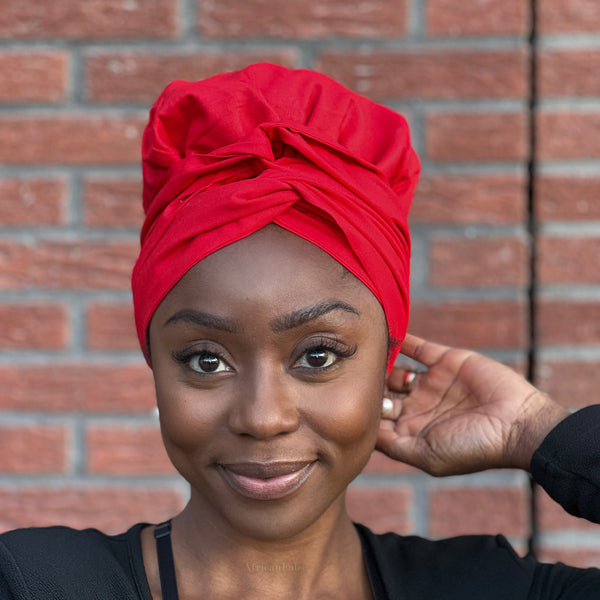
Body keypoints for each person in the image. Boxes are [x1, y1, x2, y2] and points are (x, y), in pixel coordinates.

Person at [1, 63, 599, 599]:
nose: (263, 418)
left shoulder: (490, 591)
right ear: (156, 364)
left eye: (317, 355)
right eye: (206, 360)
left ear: (386, 364)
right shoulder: (35, 583)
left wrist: (539, 433)